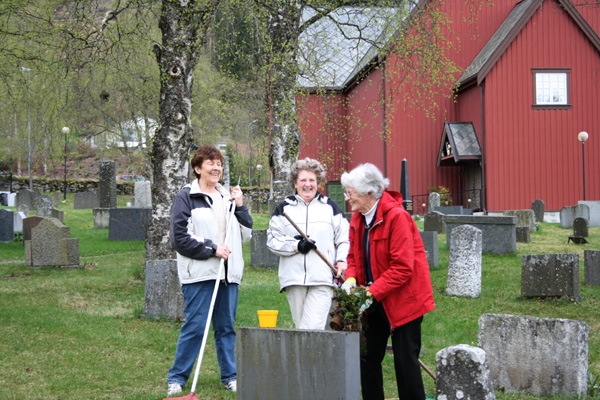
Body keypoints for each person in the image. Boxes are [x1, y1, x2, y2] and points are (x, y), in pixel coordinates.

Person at [340, 163, 434, 400]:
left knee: (405, 363)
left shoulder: (397, 217)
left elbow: (402, 267)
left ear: (368, 193)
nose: (346, 198)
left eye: (350, 193)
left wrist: (370, 293)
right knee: (367, 358)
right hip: (373, 301)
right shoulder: (358, 219)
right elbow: (352, 256)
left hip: (405, 301)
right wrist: (351, 278)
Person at [166, 144, 253, 396]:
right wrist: (212, 249)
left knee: (226, 327)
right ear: (197, 168)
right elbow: (179, 238)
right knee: (195, 326)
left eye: (219, 164)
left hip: (228, 275)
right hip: (200, 274)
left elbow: (245, 235)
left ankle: (230, 376)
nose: (217, 168)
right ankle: (177, 379)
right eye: (211, 163)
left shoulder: (228, 197)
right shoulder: (186, 197)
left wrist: (241, 206)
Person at [267, 157, 349, 330]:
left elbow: (344, 238)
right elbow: (273, 241)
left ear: (318, 182)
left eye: (312, 180)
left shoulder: (331, 207)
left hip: (322, 279)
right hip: (293, 280)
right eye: (303, 180)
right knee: (302, 330)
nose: (307, 184)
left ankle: (309, 357)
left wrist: (342, 260)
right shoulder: (283, 209)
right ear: (295, 183)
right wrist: (296, 246)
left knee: (311, 330)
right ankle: (314, 357)